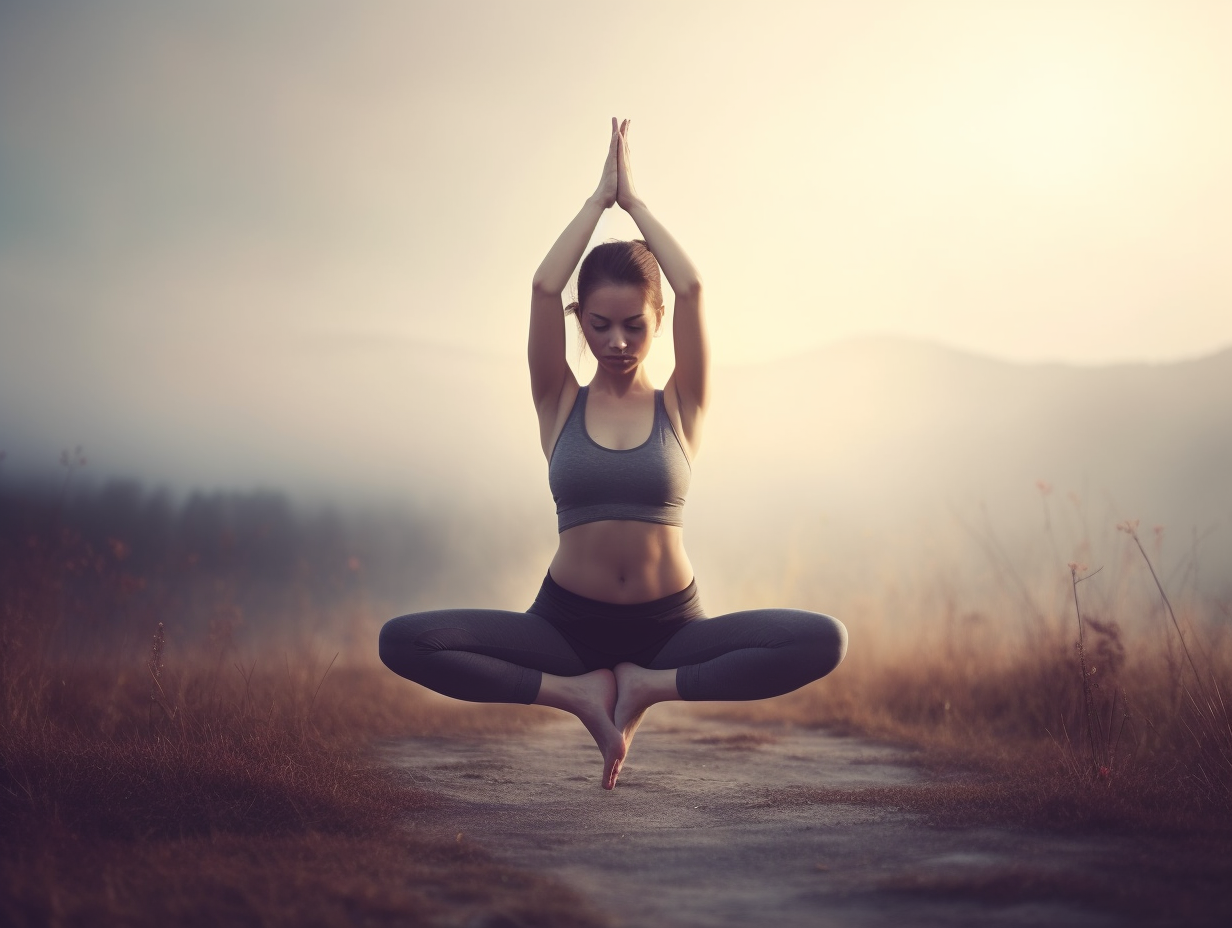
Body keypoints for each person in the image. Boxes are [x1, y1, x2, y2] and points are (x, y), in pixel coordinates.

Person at [379, 118, 847, 790]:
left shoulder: (683, 405)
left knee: (823, 639)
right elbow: (544, 287)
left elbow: (692, 289)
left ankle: (646, 688)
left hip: (670, 631)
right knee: (403, 640)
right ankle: (575, 694)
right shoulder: (558, 402)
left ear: (657, 322)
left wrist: (637, 205)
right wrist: (598, 201)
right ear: (581, 321)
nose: (618, 341)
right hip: (566, 628)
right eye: (599, 325)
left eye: (635, 325)